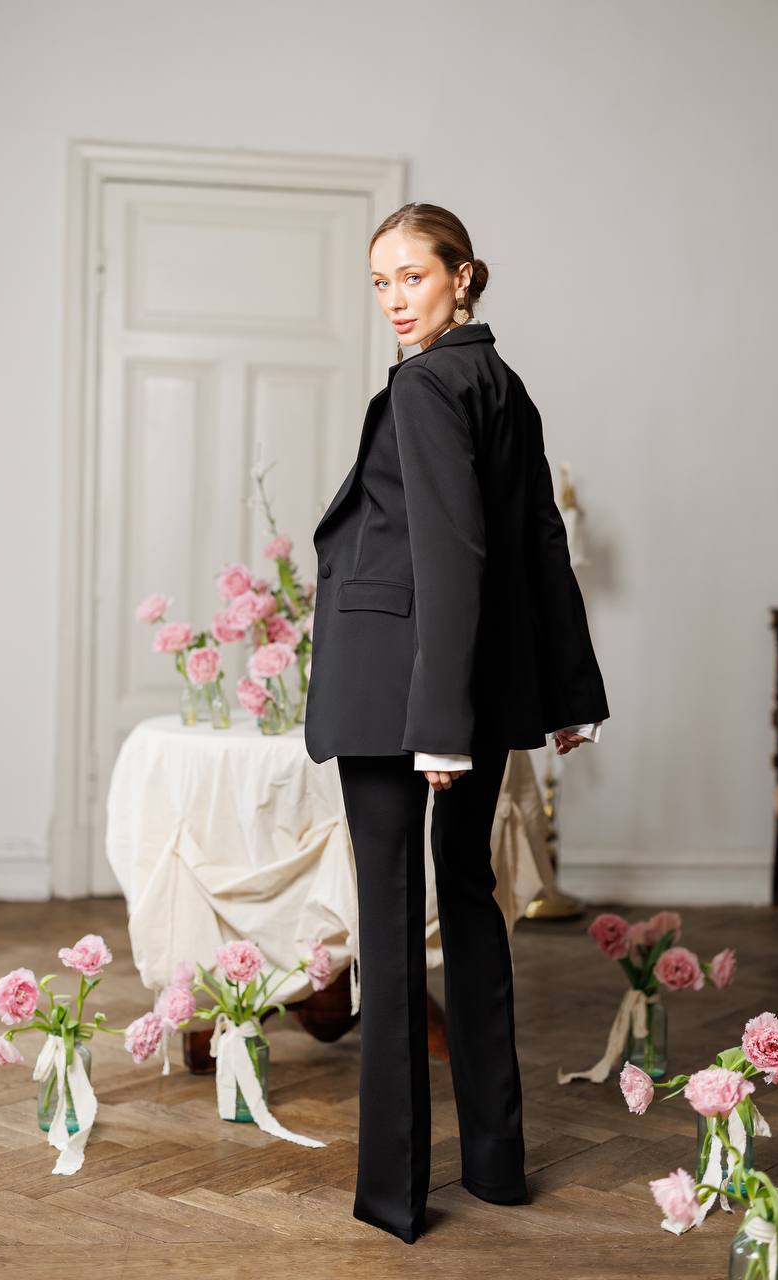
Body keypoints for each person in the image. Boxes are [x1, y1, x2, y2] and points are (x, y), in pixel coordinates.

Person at [304, 202, 609, 1244]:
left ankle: (395, 1191)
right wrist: (566, 694)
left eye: (413, 278)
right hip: (461, 694)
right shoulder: (501, 382)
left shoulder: (429, 383)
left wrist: (437, 725)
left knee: (389, 929)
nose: (394, 299)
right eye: (380, 281)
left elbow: (458, 554)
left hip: (405, 697)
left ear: (463, 276)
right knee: (470, 903)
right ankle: (494, 1163)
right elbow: (536, 541)